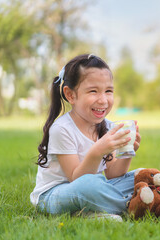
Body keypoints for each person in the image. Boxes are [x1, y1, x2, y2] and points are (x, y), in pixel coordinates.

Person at [30, 54, 141, 220]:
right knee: (91, 185)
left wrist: (127, 152)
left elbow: (112, 174)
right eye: (93, 91)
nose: (103, 100)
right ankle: (139, 206)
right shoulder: (62, 129)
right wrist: (97, 151)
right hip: (55, 195)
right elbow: (76, 180)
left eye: (108, 91)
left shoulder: (107, 126)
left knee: (142, 176)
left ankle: (92, 213)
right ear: (70, 95)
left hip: (91, 190)